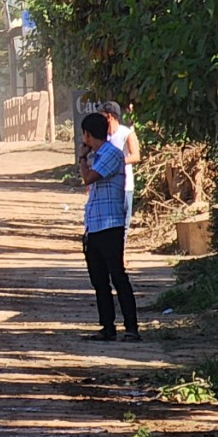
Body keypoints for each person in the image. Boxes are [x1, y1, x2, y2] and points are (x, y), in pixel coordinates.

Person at [77, 111, 139, 342]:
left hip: (110, 225)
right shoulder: (100, 155)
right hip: (95, 225)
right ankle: (107, 326)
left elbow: (89, 178)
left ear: (87, 134)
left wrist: (82, 158)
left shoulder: (111, 154)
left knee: (118, 277)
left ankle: (131, 327)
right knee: (99, 280)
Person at [100, 101, 140, 227]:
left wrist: (117, 162)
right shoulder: (102, 136)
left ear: (109, 116)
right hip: (105, 186)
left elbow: (135, 156)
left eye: (101, 115)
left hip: (124, 185)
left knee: (123, 225)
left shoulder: (126, 133)